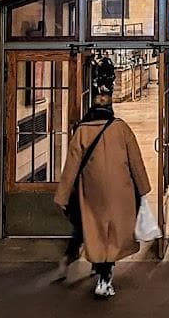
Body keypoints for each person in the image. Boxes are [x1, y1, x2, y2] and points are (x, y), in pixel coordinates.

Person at [54, 94, 151, 298]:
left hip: (91, 191)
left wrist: (62, 197)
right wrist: (143, 188)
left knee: (95, 230)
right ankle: (105, 276)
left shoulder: (81, 132)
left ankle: (100, 270)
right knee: (114, 232)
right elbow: (135, 160)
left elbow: (70, 168)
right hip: (119, 191)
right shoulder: (121, 128)